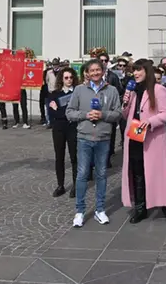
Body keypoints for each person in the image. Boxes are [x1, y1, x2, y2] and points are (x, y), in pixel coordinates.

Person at [66, 59, 122, 228]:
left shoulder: (111, 90)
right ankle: (80, 210)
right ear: (87, 73)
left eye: (98, 70)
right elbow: (69, 113)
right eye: (92, 71)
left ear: (103, 71)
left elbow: (118, 113)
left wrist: (103, 115)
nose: (96, 73)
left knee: (102, 174)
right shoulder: (79, 90)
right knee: (82, 174)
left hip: (103, 138)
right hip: (84, 137)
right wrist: (86, 115)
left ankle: (100, 209)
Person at [120, 59, 166, 224]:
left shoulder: (159, 90)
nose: (135, 74)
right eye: (134, 71)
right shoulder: (134, 91)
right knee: (137, 174)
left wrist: (151, 122)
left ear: (147, 72)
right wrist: (125, 101)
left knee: (158, 174)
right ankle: (140, 208)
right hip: (134, 136)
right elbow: (126, 115)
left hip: (152, 138)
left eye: (139, 70)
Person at [48, 67, 79, 198]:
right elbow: (52, 113)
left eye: (71, 77)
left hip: (73, 127)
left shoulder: (78, 92)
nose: (69, 80)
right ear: (62, 78)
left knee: (74, 157)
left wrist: (60, 110)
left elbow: (76, 112)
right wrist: (64, 112)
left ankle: (76, 185)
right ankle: (60, 185)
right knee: (59, 157)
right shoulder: (55, 94)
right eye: (66, 78)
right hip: (59, 128)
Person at [99, 53, 124, 167]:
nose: (103, 62)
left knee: (111, 133)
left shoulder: (113, 76)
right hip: (98, 108)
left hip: (110, 108)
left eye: (105, 60)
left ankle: (108, 157)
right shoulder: (95, 74)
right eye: (101, 60)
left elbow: (119, 91)